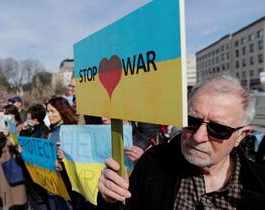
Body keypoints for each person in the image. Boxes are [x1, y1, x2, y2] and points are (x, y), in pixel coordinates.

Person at [97, 75, 265, 209]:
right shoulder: (153, 163)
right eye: (191, 121)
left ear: (241, 136)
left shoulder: (260, 184)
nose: (198, 137)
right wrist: (110, 200)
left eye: (218, 129)